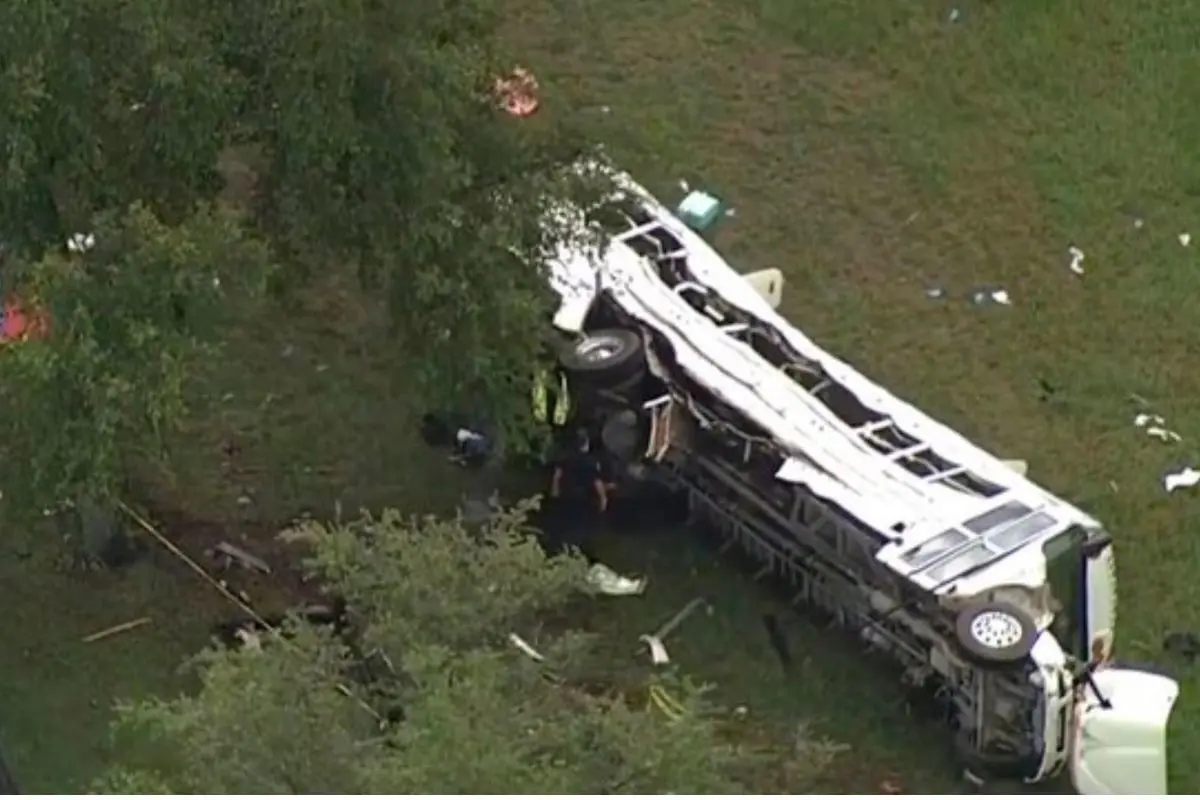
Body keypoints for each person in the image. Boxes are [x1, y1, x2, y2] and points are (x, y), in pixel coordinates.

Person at [540, 428, 608, 559]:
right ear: (585, 445)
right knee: (582, 533)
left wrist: (555, 497)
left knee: (562, 531)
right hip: (583, 503)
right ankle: (578, 558)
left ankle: (557, 554)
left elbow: (557, 478)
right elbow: (597, 484)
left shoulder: (564, 459)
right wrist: (603, 502)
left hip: (566, 499)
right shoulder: (591, 462)